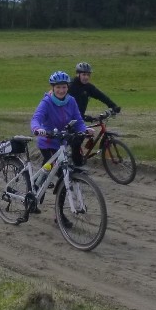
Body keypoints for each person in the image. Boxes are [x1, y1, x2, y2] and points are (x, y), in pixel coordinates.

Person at [30, 71, 93, 225]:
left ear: (67, 87)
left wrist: (84, 129)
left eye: (64, 87)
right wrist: (38, 129)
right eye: (58, 87)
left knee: (60, 174)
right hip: (48, 143)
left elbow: (78, 119)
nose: (61, 90)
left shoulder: (71, 101)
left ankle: (37, 190)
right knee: (59, 174)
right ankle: (49, 206)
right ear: (53, 87)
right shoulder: (46, 102)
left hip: (62, 143)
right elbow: (36, 118)